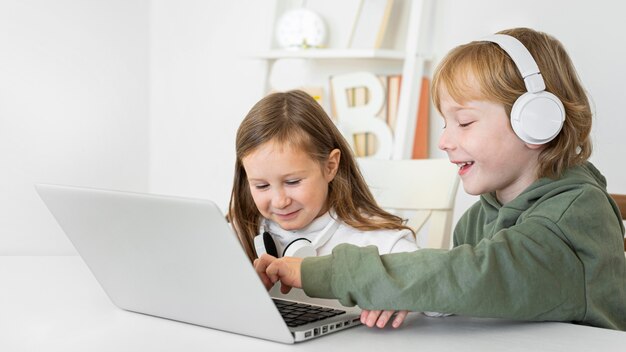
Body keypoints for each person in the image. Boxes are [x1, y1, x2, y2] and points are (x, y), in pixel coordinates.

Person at [255, 27, 626, 331]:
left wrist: (324, 272)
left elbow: (473, 276)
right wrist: (411, 295)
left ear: (536, 120)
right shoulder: (480, 217)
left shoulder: (573, 216)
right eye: (445, 123)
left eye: (464, 122)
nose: (444, 141)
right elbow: (464, 297)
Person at [228, 89, 421, 328]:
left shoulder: (380, 241)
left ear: (330, 166)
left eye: (292, 182)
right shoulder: (238, 233)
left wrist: (407, 292)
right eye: (262, 185)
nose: (279, 201)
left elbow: (441, 292)